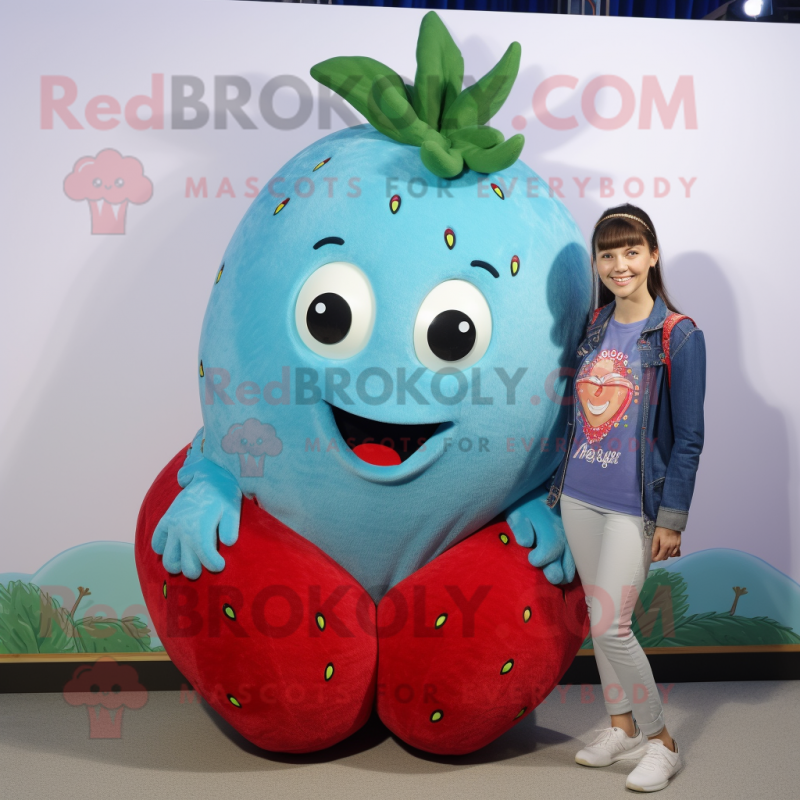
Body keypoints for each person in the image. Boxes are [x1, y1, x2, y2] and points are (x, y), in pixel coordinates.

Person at [545, 203, 706, 792]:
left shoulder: (678, 335)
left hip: (635, 505)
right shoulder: (593, 325)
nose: (620, 264)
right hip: (580, 493)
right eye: (608, 253)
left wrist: (673, 517)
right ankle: (621, 726)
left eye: (631, 251)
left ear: (653, 256)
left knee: (613, 625)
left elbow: (689, 438)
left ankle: (661, 741)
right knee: (598, 614)